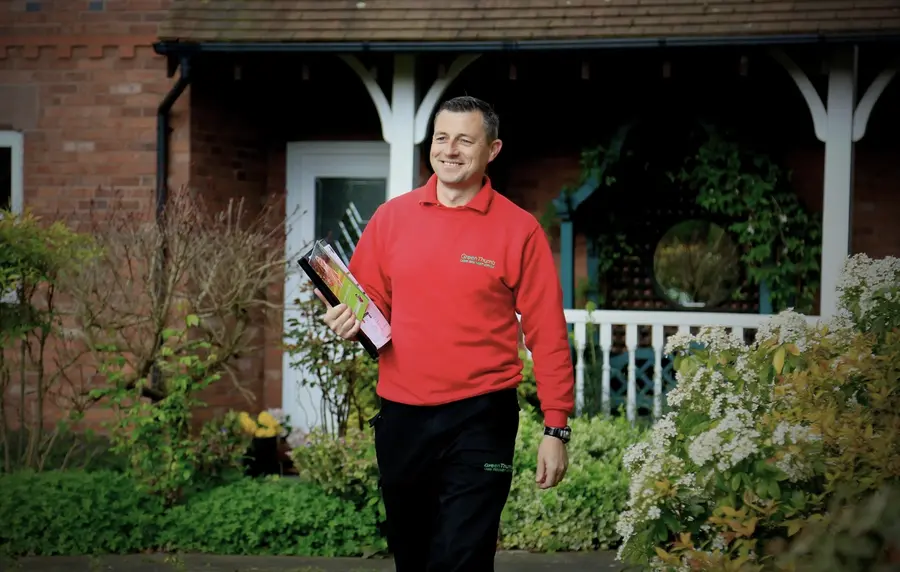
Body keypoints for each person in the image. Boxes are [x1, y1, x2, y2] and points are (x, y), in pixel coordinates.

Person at [315, 95, 575, 572]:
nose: (449, 150)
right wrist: (347, 321)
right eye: (441, 138)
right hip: (402, 417)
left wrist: (555, 426)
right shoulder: (391, 218)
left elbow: (549, 334)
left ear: (492, 150)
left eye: (464, 140)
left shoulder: (519, 230)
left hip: (482, 417)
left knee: (463, 558)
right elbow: (369, 308)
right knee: (412, 557)